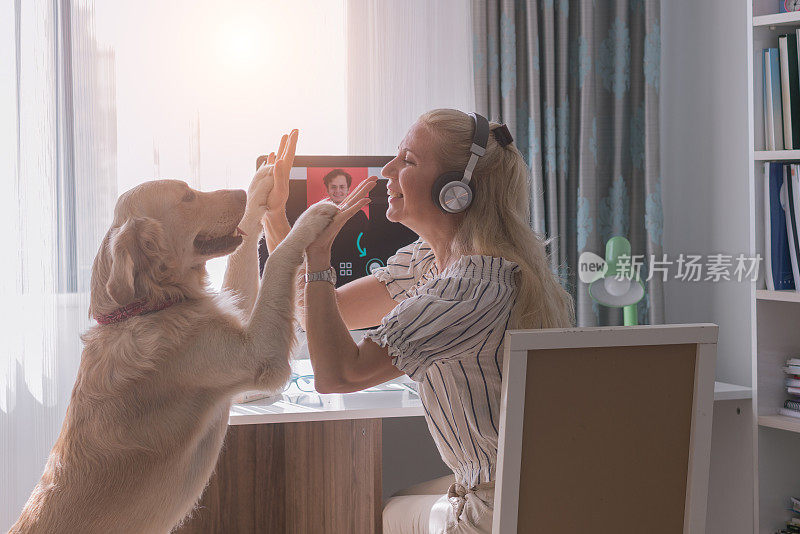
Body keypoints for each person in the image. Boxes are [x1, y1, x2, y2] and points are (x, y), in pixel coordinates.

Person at [259, 110, 574, 533]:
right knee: (392, 505)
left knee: (378, 512)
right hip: (519, 484)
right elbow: (318, 308)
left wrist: (319, 255)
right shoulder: (432, 262)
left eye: (407, 160)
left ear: (455, 191)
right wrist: (276, 218)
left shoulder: (471, 285)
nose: (388, 170)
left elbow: (338, 374)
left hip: (503, 505)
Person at [321, 169, 368, 277]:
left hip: (355, 269)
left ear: (348, 190)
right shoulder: (319, 216)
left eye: (342, 187)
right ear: (327, 190)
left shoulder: (360, 216)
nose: (338, 191)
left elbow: (367, 244)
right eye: (333, 187)